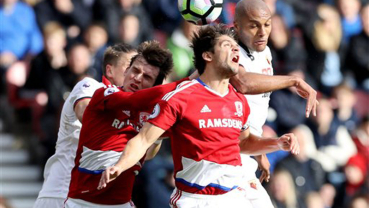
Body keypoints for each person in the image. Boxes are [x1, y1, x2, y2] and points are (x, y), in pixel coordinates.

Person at [98, 24, 299, 208]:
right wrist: (120, 166)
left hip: (233, 196)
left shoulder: (238, 101)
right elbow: (143, 140)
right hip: (196, 200)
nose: (235, 49)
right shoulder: (180, 97)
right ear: (208, 56)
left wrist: (277, 143)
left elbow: (244, 143)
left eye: (236, 46)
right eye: (227, 45)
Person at [65, 40, 176, 208]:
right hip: (82, 203)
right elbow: (133, 101)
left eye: (147, 77)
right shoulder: (105, 94)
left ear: (155, 86)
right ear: (126, 71)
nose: (137, 78)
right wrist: (189, 82)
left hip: (121, 203)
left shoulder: (153, 113)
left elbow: (150, 153)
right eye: (135, 70)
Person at [232, 0, 317, 207]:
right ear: (237, 26)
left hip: (246, 149)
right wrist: (292, 80)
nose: (262, 32)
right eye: (254, 25)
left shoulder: (265, 53)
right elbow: (243, 83)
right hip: (224, 156)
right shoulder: (227, 51)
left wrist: (260, 150)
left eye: (267, 24)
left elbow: (251, 113)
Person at [33, 43, 136, 208]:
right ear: (109, 70)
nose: (135, 76)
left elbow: (148, 151)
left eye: (138, 70)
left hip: (100, 198)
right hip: (62, 194)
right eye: (129, 68)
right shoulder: (89, 86)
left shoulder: (132, 109)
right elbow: (86, 115)